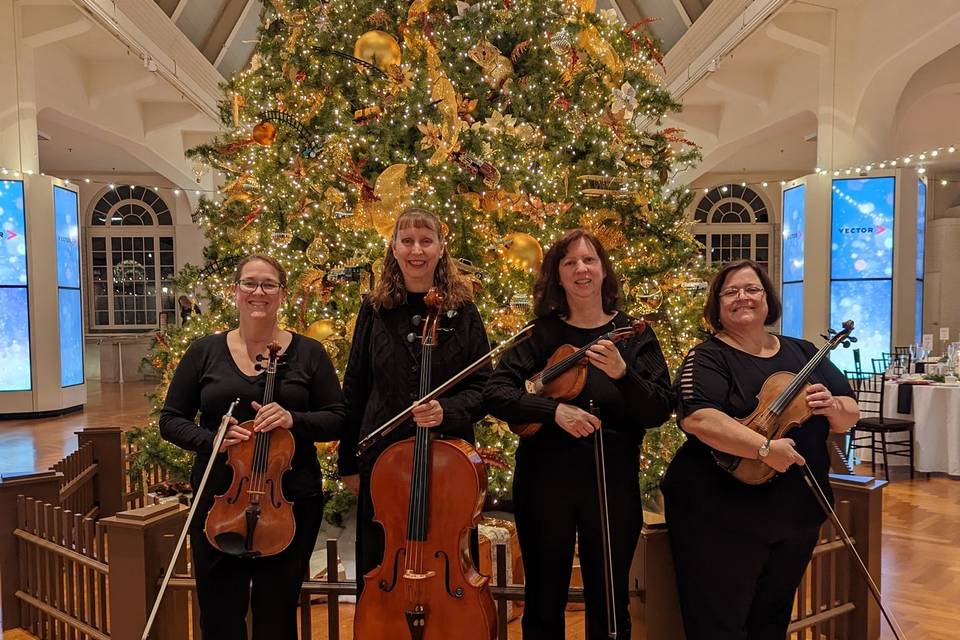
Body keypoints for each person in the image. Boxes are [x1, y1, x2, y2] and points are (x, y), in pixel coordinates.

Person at [484, 229, 673, 640]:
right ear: (558, 276)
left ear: (604, 271)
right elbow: (496, 392)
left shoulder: (635, 335)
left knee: (609, 599)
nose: (581, 269)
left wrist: (623, 375)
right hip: (543, 482)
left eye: (589, 260)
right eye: (569, 263)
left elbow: (659, 408)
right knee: (544, 600)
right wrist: (555, 411)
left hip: (611, 481)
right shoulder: (539, 334)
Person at [662, 259, 860, 640]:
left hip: (796, 512)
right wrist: (764, 448)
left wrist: (833, 406)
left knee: (772, 619)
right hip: (720, 514)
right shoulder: (707, 357)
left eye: (751, 289)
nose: (742, 298)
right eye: (730, 292)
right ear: (717, 305)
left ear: (767, 299)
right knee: (719, 623)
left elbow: (849, 414)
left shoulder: (804, 352)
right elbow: (698, 419)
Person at [159, 254, 345, 640]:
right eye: (249, 283)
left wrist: (293, 418)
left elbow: (338, 417)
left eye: (268, 285)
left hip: (289, 502)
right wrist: (211, 440)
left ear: (282, 295)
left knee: (275, 619)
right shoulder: (203, 352)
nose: (258, 292)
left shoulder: (309, 354)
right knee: (219, 618)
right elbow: (170, 419)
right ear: (235, 291)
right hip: (219, 502)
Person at [337, 207, 492, 592]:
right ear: (393, 247)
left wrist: (447, 410)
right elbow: (355, 385)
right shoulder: (374, 309)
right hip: (381, 457)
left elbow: (485, 388)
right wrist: (348, 461)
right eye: (407, 241)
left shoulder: (464, 312)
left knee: (447, 552)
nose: (416, 250)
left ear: (441, 247)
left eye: (426, 241)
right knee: (380, 561)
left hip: (447, 461)